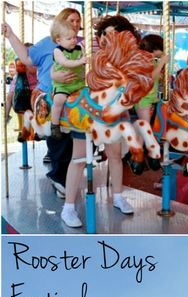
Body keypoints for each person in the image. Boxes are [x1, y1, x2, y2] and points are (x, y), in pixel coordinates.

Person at [60, 14, 141, 227]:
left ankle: (118, 196)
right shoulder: (96, 54)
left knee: (114, 154)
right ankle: (68, 207)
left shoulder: (127, 58)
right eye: (104, 33)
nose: (107, 38)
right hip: (91, 108)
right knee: (78, 157)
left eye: (112, 34)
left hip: (114, 111)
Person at [2, 8, 83, 191]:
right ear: (61, 22)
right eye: (72, 20)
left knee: (83, 133)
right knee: (59, 136)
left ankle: (70, 172)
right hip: (48, 92)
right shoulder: (48, 43)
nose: (76, 24)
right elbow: (27, 58)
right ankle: (57, 176)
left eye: (78, 21)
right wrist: (11, 35)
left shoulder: (81, 45)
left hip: (75, 94)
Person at [50, 19, 88, 139]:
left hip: (78, 83)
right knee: (59, 100)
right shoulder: (58, 51)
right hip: (64, 85)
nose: (73, 40)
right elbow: (65, 62)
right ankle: (54, 124)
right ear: (58, 40)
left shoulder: (78, 48)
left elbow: (85, 60)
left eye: (74, 37)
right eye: (69, 38)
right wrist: (80, 61)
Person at [136, 34, 169, 122]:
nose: (164, 52)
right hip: (143, 100)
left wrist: (163, 76)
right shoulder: (143, 60)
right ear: (155, 48)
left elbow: (156, 76)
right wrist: (162, 62)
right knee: (145, 127)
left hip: (153, 98)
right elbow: (150, 77)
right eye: (162, 48)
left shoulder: (153, 61)